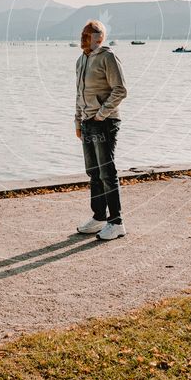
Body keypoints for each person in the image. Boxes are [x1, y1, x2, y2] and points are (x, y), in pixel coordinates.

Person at [75, 20, 127, 241]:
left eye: (95, 36)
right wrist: (78, 121)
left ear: (101, 38)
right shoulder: (80, 60)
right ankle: (98, 218)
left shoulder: (108, 57)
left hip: (105, 122)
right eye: (87, 35)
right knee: (94, 173)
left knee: (107, 173)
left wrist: (101, 114)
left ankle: (116, 222)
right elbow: (79, 93)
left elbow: (121, 90)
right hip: (87, 122)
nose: (90, 39)